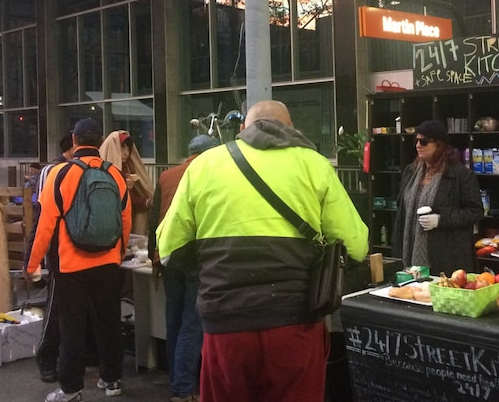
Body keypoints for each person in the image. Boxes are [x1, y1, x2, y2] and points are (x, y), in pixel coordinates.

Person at [157, 100, 369, 402]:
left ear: (243, 129)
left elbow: (170, 250)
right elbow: (357, 247)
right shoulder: (315, 164)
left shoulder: (205, 165)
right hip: (295, 324)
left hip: (225, 325)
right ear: (292, 128)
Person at [27, 118, 132, 402]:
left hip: (71, 266)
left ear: (74, 140)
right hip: (108, 263)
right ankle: (112, 381)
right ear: (99, 142)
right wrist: (118, 254)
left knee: (71, 328)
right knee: (109, 323)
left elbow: (45, 225)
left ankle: (71, 389)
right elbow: (125, 221)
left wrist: (33, 263)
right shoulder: (115, 175)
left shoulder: (61, 174)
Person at [148, 133, 218, 402]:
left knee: (173, 320)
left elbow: (154, 217)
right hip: (197, 258)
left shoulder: (167, 176)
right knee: (192, 324)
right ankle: (183, 388)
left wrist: (152, 255)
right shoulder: (210, 176)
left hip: (168, 256)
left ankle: (175, 380)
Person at [392, 119, 484, 276]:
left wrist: (441, 219)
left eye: (424, 141)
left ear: (439, 145)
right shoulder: (411, 172)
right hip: (409, 252)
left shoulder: (461, 175)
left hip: (447, 256)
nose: (418, 145)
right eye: (417, 141)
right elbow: (402, 211)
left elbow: (475, 212)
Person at [26, 132, 74, 383]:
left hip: (79, 255)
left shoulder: (83, 170)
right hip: (58, 254)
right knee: (55, 310)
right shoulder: (52, 172)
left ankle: (71, 358)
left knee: (73, 313)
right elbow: (42, 218)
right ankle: (47, 358)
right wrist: (33, 260)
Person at [100, 130, 154, 235]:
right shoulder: (102, 171)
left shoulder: (128, 167)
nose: (126, 153)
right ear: (113, 149)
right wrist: (145, 201)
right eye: (122, 148)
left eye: (128, 149)